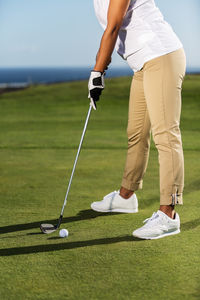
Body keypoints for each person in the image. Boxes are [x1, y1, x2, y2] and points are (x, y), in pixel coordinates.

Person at [88, 0, 186, 239]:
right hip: (141, 64)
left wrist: (98, 71)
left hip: (160, 55)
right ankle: (126, 197)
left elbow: (113, 27)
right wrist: (98, 67)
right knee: (136, 132)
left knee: (165, 135)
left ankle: (168, 214)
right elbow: (110, 30)